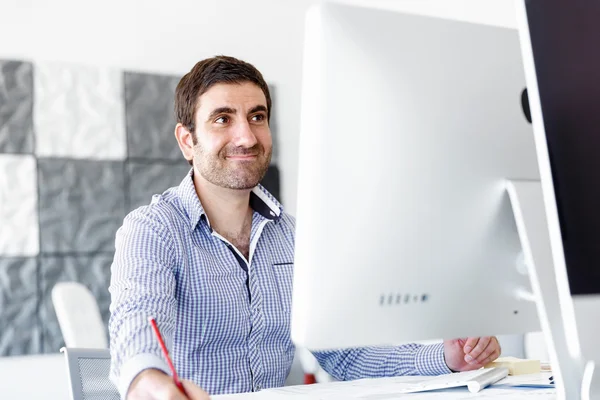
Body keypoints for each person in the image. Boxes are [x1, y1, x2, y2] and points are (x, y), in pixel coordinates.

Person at [108, 55, 502, 400]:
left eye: (257, 117)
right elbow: (137, 322)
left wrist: (447, 358)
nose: (246, 136)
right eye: (222, 119)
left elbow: (345, 354)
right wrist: (149, 383)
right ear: (187, 141)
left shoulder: (296, 237)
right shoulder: (152, 230)